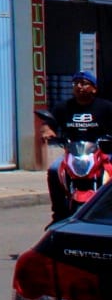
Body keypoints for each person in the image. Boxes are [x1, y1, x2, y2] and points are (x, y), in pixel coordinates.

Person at [42, 71, 112, 221]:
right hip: (74, 154)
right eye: (76, 84)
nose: (79, 87)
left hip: (102, 151)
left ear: (94, 88)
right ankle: (58, 214)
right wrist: (48, 131)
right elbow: (49, 124)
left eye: (84, 83)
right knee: (54, 170)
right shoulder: (63, 107)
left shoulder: (105, 107)